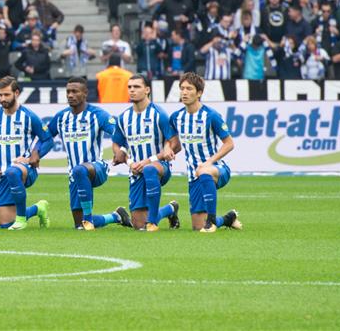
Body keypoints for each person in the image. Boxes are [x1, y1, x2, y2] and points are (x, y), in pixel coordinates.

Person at [165, 72, 242, 232]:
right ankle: (228, 218)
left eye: (189, 89)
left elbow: (229, 143)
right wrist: (167, 148)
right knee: (197, 226)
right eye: (182, 88)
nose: (184, 92)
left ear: (199, 93)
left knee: (205, 172)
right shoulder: (176, 117)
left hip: (217, 170)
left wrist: (209, 162)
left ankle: (212, 222)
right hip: (194, 176)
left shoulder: (211, 115)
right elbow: (173, 142)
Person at [45, 77, 118, 230]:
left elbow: (118, 133)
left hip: (97, 168)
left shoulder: (98, 115)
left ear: (85, 93)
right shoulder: (61, 117)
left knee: (80, 169)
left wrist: (120, 150)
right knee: (79, 225)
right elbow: (45, 138)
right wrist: (35, 155)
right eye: (68, 92)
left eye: (75, 91)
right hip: (74, 174)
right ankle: (115, 217)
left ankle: (89, 219)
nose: (70, 95)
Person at [0, 76, 51, 230]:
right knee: (6, 225)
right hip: (2, 174)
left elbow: (48, 140)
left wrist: (34, 156)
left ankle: (21, 220)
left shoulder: (28, 116)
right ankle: (39, 208)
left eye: (7, 94)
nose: (3, 98)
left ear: (16, 93)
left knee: (13, 171)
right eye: (0, 95)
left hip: (25, 170)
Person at [112, 75, 180, 231]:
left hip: (159, 167)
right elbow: (116, 145)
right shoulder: (123, 118)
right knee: (138, 226)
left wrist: (149, 160)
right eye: (129, 87)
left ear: (147, 90)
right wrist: (129, 163)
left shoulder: (159, 114)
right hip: (136, 171)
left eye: (136, 87)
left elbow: (176, 144)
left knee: (149, 169)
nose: (132, 90)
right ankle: (170, 209)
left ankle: (153, 223)